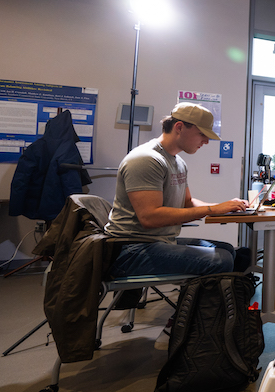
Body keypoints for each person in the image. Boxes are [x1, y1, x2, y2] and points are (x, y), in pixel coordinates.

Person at [105, 103, 249, 278]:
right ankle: (194, 306)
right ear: (179, 127)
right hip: (129, 250)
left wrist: (225, 206)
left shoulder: (177, 162)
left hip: (158, 242)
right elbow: (150, 217)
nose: (206, 141)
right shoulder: (146, 159)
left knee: (227, 250)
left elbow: (187, 203)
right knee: (221, 260)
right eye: (202, 134)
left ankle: (201, 304)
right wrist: (212, 210)